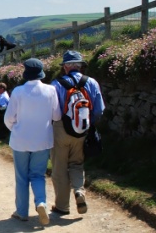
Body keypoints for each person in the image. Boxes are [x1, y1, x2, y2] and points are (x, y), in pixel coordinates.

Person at [4, 58, 61, 225]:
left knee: (21, 177)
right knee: (37, 175)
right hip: (42, 140)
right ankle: (41, 203)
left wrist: (15, 129)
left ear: (26, 73)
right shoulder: (51, 90)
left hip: (20, 141)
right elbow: (57, 116)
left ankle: (22, 212)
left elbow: (8, 118)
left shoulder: (18, 91)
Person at [49, 50, 106, 215]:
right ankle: (79, 191)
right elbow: (99, 110)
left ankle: (62, 206)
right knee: (76, 163)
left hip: (60, 129)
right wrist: (88, 124)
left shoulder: (56, 84)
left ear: (65, 67)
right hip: (82, 128)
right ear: (80, 66)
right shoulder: (92, 82)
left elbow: (52, 110)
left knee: (59, 167)